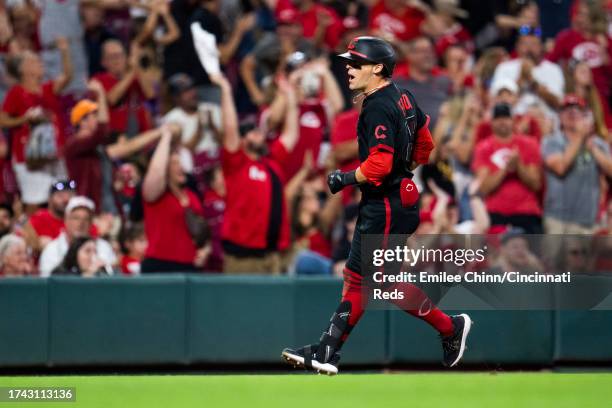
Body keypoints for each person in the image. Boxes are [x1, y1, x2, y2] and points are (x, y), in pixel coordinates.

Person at [282, 36, 472, 375]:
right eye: (349, 61)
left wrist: (345, 178)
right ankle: (328, 349)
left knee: (383, 283)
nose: (349, 68)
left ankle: (450, 327)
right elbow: (426, 145)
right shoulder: (402, 95)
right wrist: (405, 168)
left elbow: (380, 166)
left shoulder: (378, 104)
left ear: (377, 67)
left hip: (387, 203)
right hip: (395, 198)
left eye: (356, 62)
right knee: (357, 279)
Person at [211, 70, 299, 274]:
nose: (258, 133)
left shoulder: (271, 162)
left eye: (257, 129)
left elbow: (291, 134)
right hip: (243, 256)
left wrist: (290, 97)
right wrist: (225, 90)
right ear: (242, 141)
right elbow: (230, 127)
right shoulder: (236, 163)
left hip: (272, 254)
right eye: (251, 131)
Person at [542, 96, 612, 234]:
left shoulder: (598, 144)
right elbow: (560, 168)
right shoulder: (552, 142)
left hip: (588, 221)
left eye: (578, 110)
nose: (573, 113)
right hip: (557, 220)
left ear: (586, 115)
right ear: (560, 117)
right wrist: (580, 137)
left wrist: (594, 150)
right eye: (567, 110)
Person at [140, 125, 205, 273]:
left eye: (180, 162)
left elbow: (202, 232)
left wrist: (205, 251)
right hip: (159, 265)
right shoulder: (156, 194)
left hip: (189, 267)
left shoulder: (192, 195)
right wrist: (166, 136)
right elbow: (156, 171)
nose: (181, 167)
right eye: (174, 163)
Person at [472, 103, 543, 233]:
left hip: (527, 213)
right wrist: (506, 169)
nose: (502, 122)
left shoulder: (530, 143)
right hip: (496, 214)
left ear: (513, 120)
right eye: (498, 118)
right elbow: (484, 188)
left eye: (506, 117)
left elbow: (536, 184)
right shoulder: (483, 147)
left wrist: (519, 166)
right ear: (492, 122)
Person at [39, 196, 116, 277]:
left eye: (86, 219)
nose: (81, 223)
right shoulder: (52, 249)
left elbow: (111, 279)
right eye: (76, 218)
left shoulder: (103, 246)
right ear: (65, 220)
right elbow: (49, 284)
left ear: (91, 223)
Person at [22, 179, 75, 253]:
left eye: (70, 196)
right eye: (60, 196)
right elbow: (22, 241)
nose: (66, 200)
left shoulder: (79, 220)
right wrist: (36, 243)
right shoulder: (39, 218)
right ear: (50, 199)